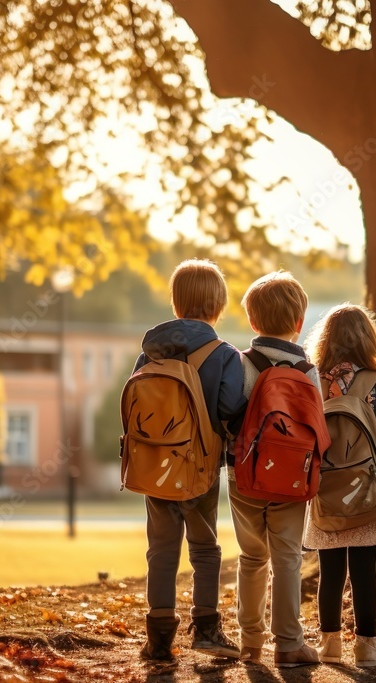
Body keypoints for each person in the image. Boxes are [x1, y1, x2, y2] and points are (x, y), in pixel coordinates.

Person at [131, 259, 246, 661]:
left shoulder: (150, 354)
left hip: (155, 466)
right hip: (199, 467)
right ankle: (207, 629)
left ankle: (159, 638)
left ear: (176, 303)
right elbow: (231, 405)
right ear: (218, 304)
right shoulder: (224, 354)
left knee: (161, 548)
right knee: (205, 547)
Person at [302, 304, 376, 667]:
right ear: (368, 340)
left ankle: (329, 644)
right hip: (368, 491)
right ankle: (367, 647)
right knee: (365, 572)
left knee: (330, 572)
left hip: (326, 492)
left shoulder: (315, 380)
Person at [229, 271, 322, 667]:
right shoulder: (308, 372)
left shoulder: (241, 364)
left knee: (251, 557)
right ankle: (288, 644)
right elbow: (319, 427)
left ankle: (250, 642)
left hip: (245, 477)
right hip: (291, 478)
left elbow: (229, 418)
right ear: (299, 322)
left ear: (252, 321)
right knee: (288, 559)